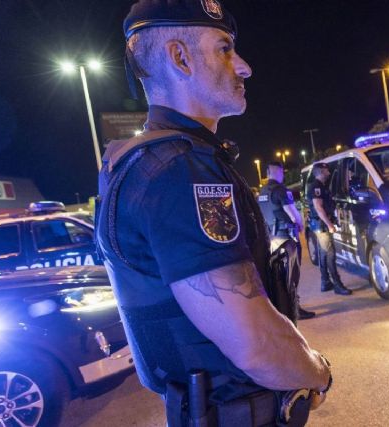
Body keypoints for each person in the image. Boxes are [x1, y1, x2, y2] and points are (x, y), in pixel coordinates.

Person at [95, 1, 331, 425]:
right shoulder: (179, 169)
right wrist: (319, 372)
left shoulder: (140, 160)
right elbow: (255, 343)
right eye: (224, 48)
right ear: (178, 57)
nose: (243, 67)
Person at [257, 161, 316, 320]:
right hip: (286, 238)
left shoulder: (262, 192)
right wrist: (300, 224)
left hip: (271, 238)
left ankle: (282, 308)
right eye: (282, 173)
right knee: (292, 276)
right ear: (279, 172)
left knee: (279, 276)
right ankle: (294, 309)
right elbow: (292, 212)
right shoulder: (281, 191)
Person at [306, 163, 353, 296]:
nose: (329, 172)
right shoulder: (316, 187)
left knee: (323, 254)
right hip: (322, 225)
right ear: (321, 171)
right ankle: (337, 285)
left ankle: (325, 282)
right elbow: (319, 207)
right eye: (326, 170)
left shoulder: (320, 186)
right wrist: (329, 224)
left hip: (321, 225)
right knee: (330, 254)